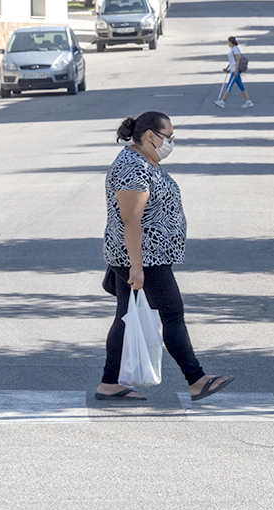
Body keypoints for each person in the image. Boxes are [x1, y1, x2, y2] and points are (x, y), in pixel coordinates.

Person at [98, 111, 234, 402]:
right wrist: (136, 266)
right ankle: (196, 379)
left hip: (145, 255)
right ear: (150, 135)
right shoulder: (132, 167)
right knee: (173, 315)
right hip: (143, 258)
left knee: (125, 315)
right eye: (168, 136)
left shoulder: (145, 161)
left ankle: (109, 384)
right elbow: (131, 220)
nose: (171, 141)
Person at [214, 36, 253, 108]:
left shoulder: (235, 49)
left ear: (230, 42)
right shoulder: (232, 49)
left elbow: (238, 60)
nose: (227, 43)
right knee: (241, 86)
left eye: (228, 42)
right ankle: (248, 101)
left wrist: (235, 70)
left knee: (229, 85)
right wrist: (227, 68)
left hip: (236, 70)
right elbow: (232, 61)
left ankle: (222, 102)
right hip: (233, 69)